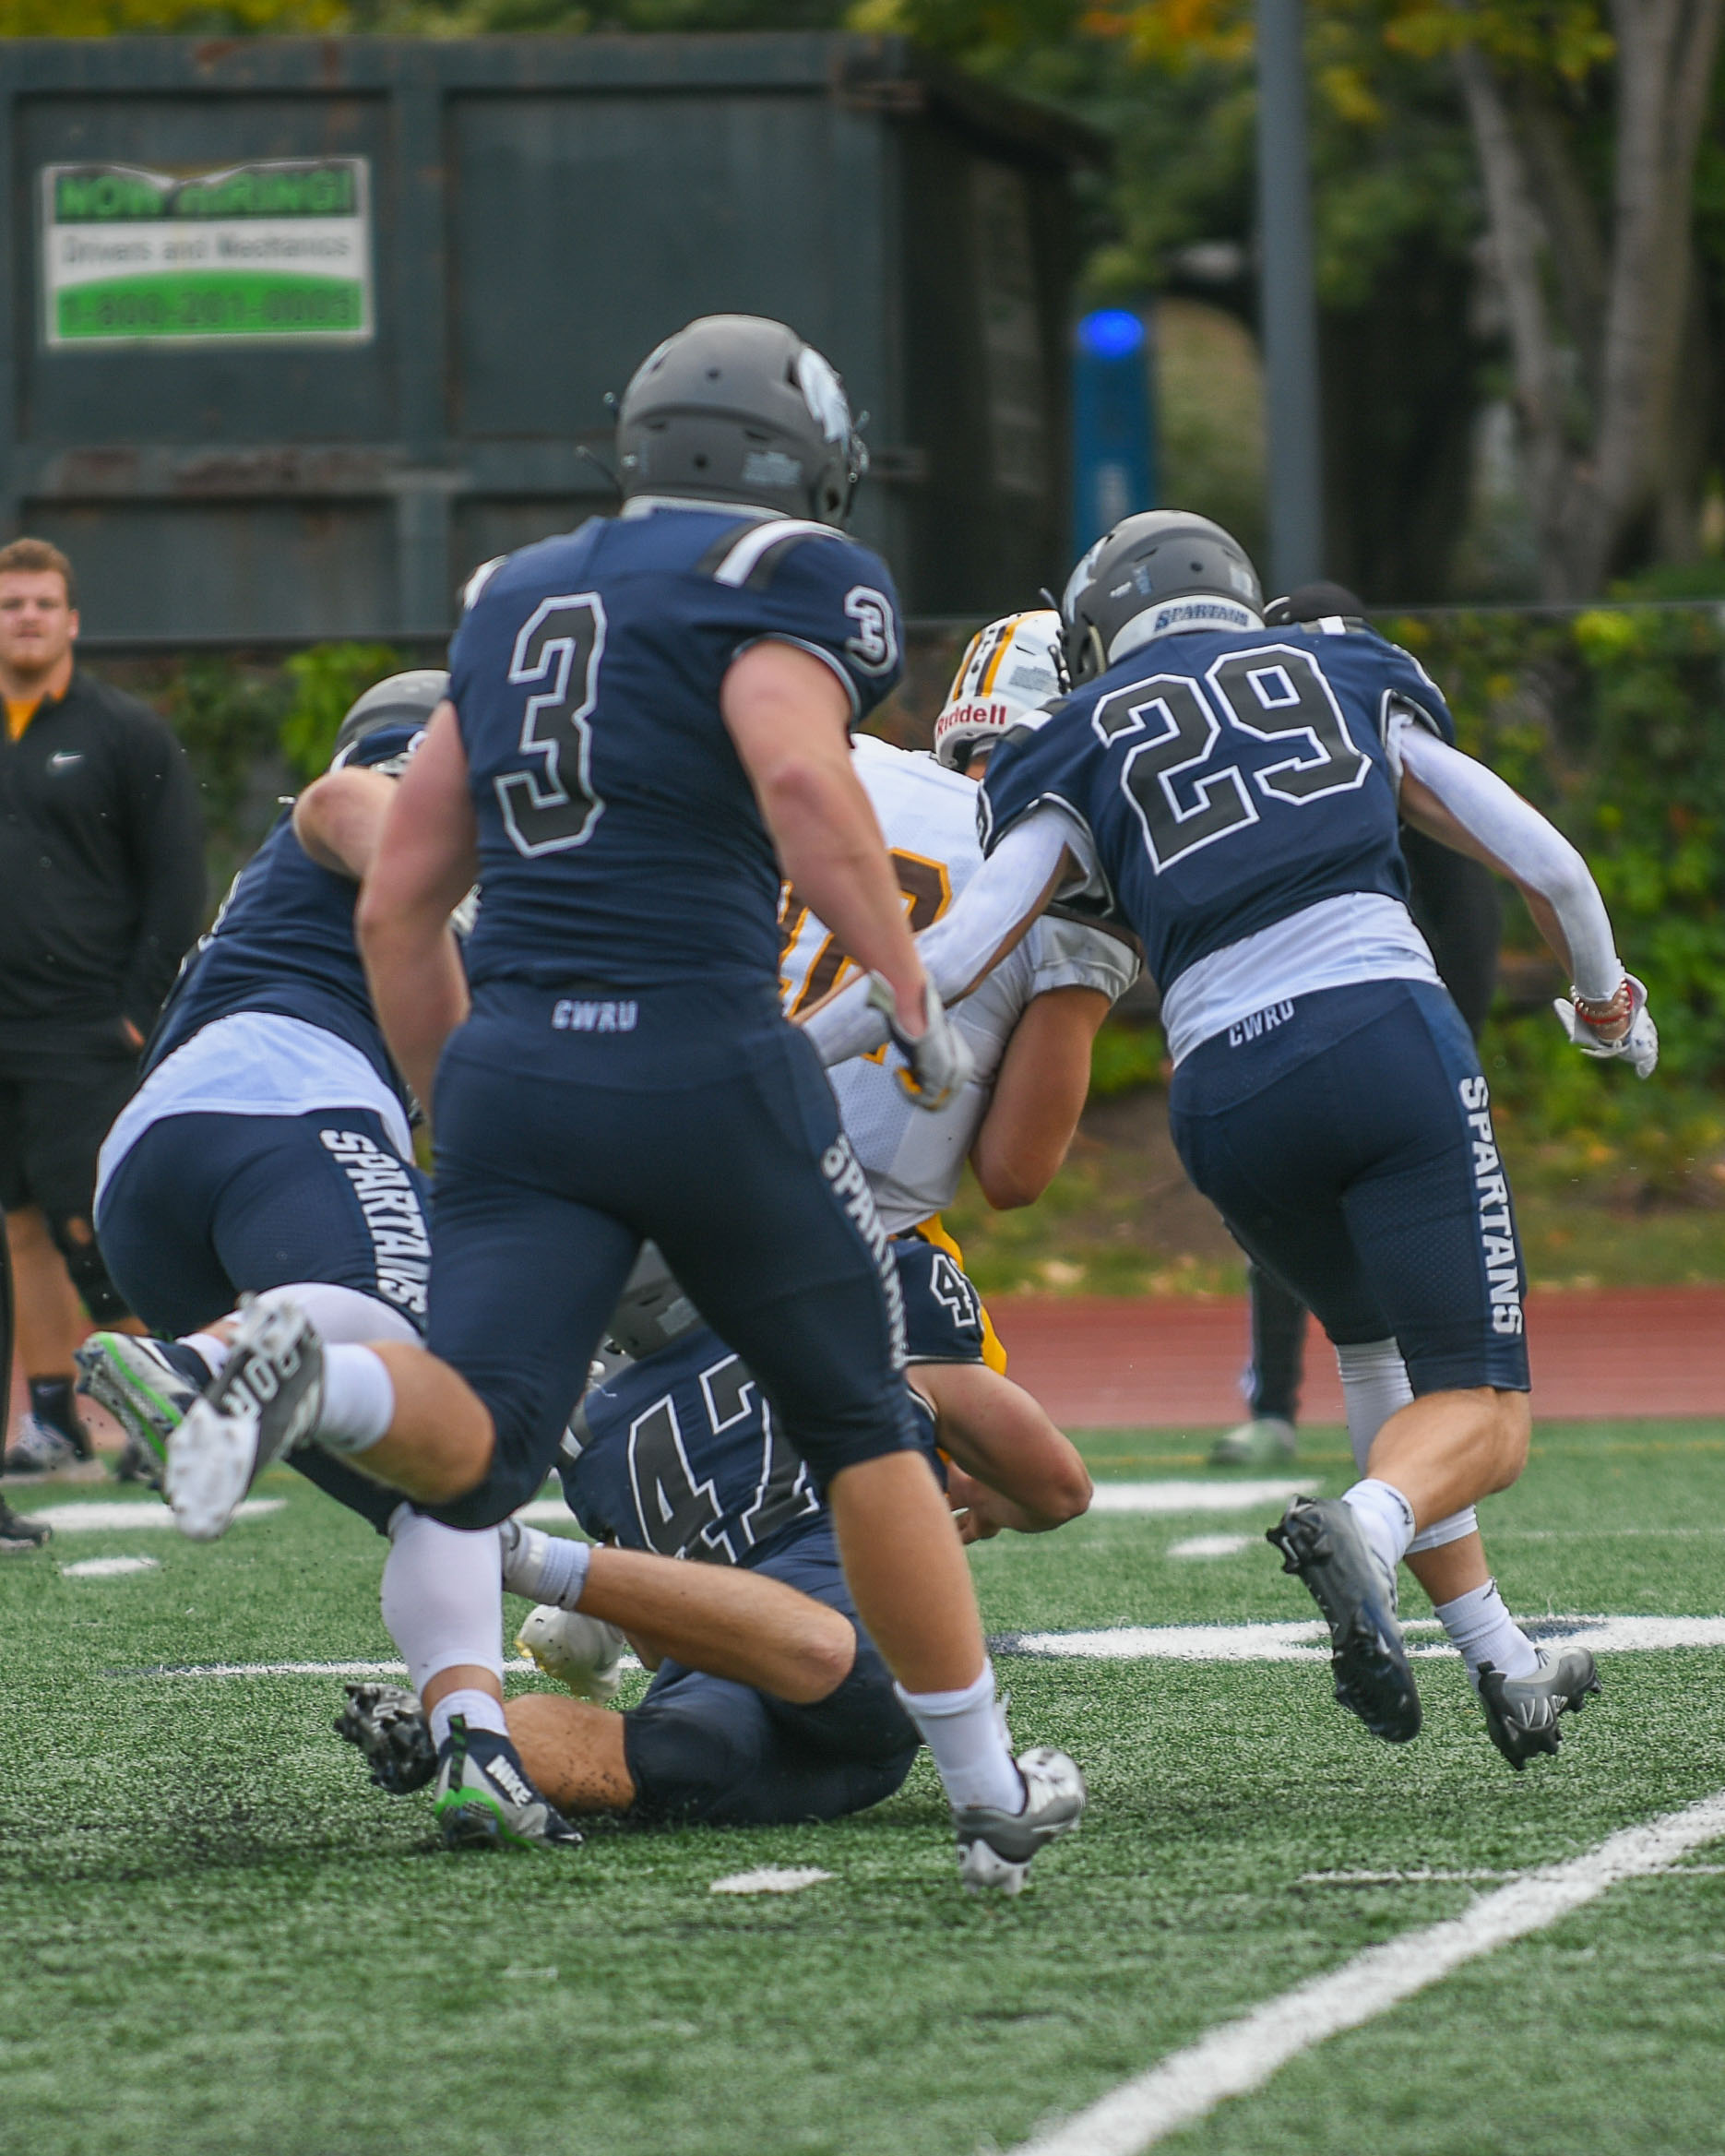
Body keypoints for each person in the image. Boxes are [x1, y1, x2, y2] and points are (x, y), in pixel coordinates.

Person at [160, 316, 1087, 1888]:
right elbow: (798, 778)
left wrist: (465, 1100)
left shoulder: (513, 594)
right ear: (804, 459)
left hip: (520, 1070)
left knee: (476, 1445)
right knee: (865, 1425)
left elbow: (400, 900)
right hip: (705, 1057)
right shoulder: (790, 576)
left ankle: (319, 1378)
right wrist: (904, 982)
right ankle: (988, 1789)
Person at [805, 507, 1655, 1772]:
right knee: (1484, 1412)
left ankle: (1498, 1657)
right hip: (1379, 1035)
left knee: (1371, 1353)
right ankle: (1368, 1529)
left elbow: (948, 957)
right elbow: (1552, 867)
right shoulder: (1341, 667)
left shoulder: (1078, 736)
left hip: (1221, 1096)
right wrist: (1602, 1001)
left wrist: (783, 1055)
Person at [339, 1237, 1091, 1829]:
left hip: (725, 1675)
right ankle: (523, 1556)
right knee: (841, 1654)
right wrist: (985, 1503)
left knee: (672, 1753)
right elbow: (1059, 1486)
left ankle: (462, 1732)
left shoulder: (590, 1427)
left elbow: (657, 1643)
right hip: (860, 1656)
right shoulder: (843, 1301)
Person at [1212, 582, 1504, 1469]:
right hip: (1291, 1019)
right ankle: (1278, 1404)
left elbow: (1472, 914)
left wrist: (1439, 1037)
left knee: (1411, 1216)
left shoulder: (1398, 747)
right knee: (1281, 1209)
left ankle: (1452, 1393)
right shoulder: (1256, 772)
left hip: (1397, 1021)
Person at [782, 608, 1139, 1289]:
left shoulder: (844, 762)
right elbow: (1013, 1174)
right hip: (857, 1229)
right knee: (968, 1360)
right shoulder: (1075, 892)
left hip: (683, 1132)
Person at [0, 536, 204, 1476]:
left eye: (42, 603)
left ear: (72, 619)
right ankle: (52, 1420)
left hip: (85, 1026)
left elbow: (177, 882)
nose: (27, 618)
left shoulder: (127, 733)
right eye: (11, 604)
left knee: (90, 1226)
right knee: (20, 1225)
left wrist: (136, 1011)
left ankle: (164, 1410)